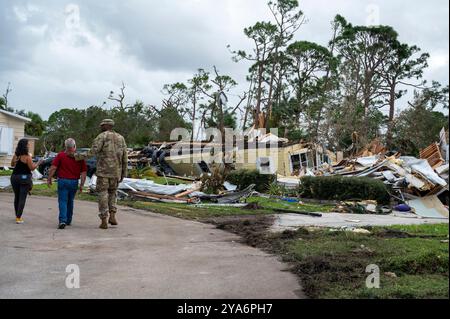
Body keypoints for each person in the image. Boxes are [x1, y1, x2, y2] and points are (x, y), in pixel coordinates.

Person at [75, 119, 128, 229]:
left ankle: (104, 219)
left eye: (102, 125)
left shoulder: (101, 136)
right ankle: (112, 215)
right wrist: (123, 173)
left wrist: (77, 156)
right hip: (116, 172)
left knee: (103, 194)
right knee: (113, 193)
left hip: (103, 172)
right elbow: (125, 157)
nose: (100, 127)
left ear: (106, 126)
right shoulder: (121, 138)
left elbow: (93, 151)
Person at [47, 138, 87, 229]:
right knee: (70, 200)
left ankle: (62, 220)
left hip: (63, 181)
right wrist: (81, 185)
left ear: (65, 146)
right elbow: (84, 173)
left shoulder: (60, 155)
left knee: (62, 201)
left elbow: (53, 167)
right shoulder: (80, 157)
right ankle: (68, 220)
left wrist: (49, 178)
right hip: (74, 182)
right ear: (74, 146)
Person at [10, 139, 43, 224]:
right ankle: (18, 218)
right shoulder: (27, 156)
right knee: (22, 198)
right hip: (24, 178)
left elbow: (12, 165)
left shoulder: (16, 155)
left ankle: (17, 215)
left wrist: (15, 160)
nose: (29, 146)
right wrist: (38, 163)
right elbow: (32, 168)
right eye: (28, 144)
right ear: (25, 146)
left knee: (16, 197)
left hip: (14, 177)